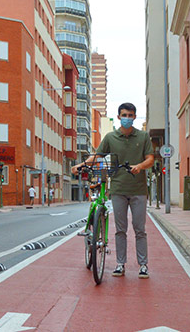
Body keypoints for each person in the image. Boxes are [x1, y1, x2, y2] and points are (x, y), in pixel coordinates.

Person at [72, 102, 154, 279]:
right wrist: (81, 164)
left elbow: (150, 159)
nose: (127, 118)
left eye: (131, 115)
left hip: (138, 189)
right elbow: (97, 156)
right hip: (118, 189)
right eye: (124, 115)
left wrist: (140, 166)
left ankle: (143, 265)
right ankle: (120, 264)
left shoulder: (143, 137)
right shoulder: (110, 137)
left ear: (134, 117)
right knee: (120, 229)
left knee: (139, 229)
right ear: (119, 117)